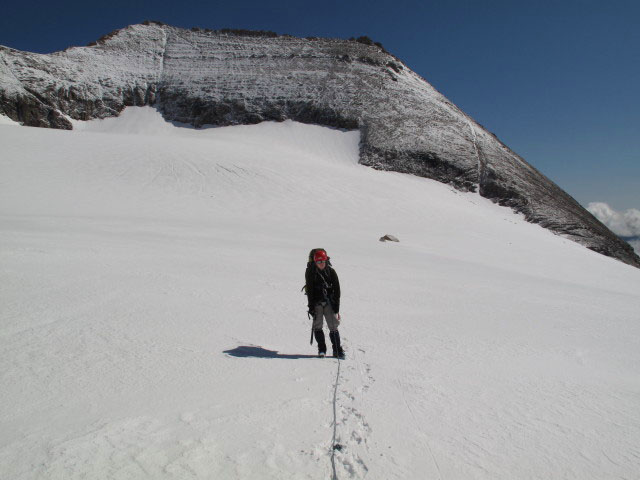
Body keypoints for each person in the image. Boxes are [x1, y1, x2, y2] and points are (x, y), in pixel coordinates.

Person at [305, 249, 344, 358]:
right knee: (318, 326)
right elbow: (310, 290)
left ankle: (337, 350)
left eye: (323, 261)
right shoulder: (310, 272)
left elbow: (337, 290)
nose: (321, 264)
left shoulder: (331, 272)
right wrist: (311, 306)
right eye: (319, 262)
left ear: (326, 260)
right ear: (315, 262)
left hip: (329, 302)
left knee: (333, 326)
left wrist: (337, 307)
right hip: (317, 303)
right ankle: (321, 349)